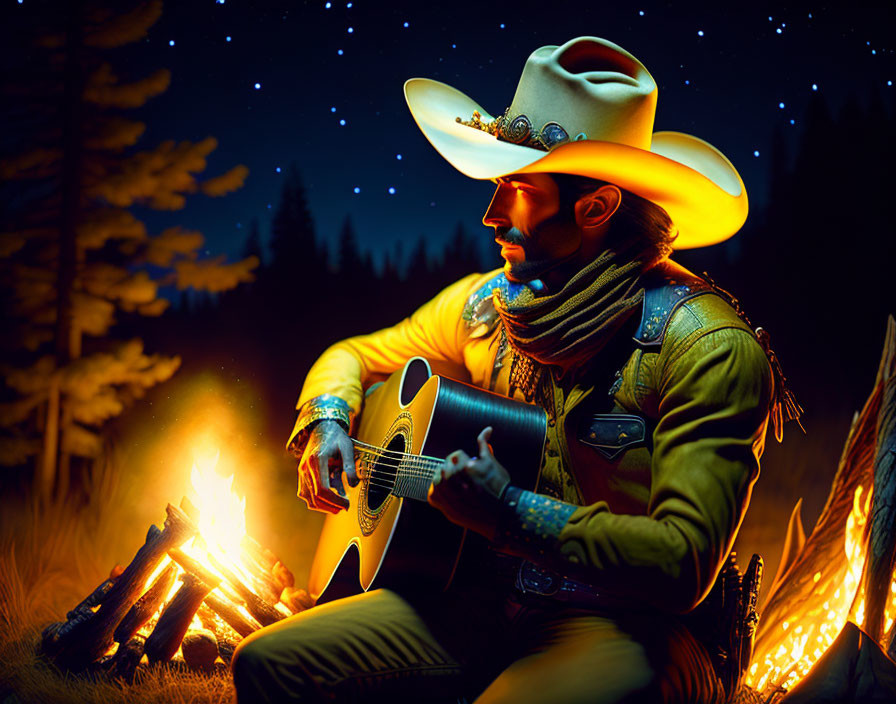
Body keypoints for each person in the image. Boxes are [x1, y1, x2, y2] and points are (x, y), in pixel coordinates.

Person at [232, 36, 798, 704]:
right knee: (268, 665)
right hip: (480, 604)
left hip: (634, 629)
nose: (491, 213)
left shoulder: (706, 346)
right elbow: (352, 355)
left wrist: (508, 513)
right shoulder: (483, 306)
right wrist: (328, 422)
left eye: (518, 187)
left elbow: (681, 564)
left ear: (597, 207)